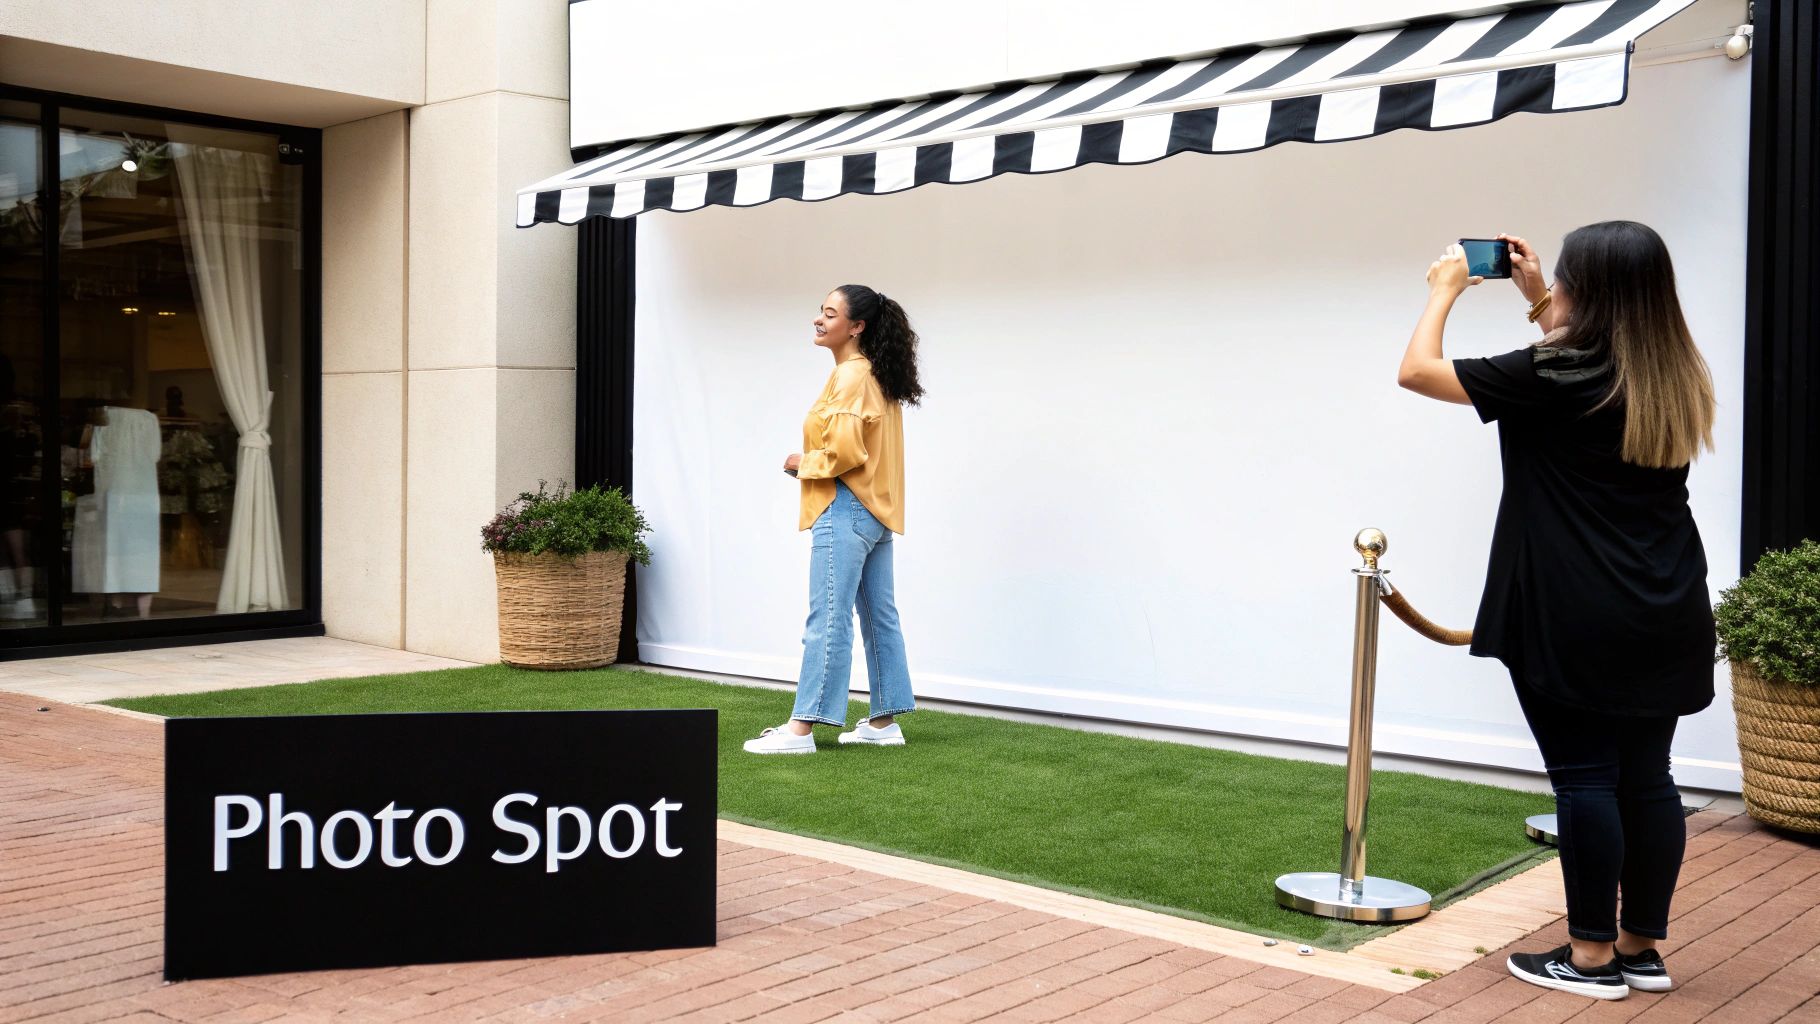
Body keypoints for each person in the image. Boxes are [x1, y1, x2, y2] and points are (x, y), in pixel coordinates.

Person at [1397, 223, 1716, 1001]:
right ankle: (1639, 948)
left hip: (1573, 607)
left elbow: (1417, 372)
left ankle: (1589, 957)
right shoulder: (1674, 370)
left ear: (1591, 292)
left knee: (1583, 780)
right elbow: (1584, 356)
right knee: (1649, 779)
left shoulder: (1554, 370)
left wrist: (1444, 292)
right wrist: (1537, 294)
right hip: (1666, 602)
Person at [744, 285, 924, 755]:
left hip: (845, 506)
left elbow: (845, 452)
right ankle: (883, 723)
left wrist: (800, 462)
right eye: (820, 312)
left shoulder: (851, 376)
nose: (818, 320)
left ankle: (802, 728)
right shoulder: (875, 374)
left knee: (828, 616)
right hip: (876, 512)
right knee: (878, 616)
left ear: (856, 326)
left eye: (829, 313)